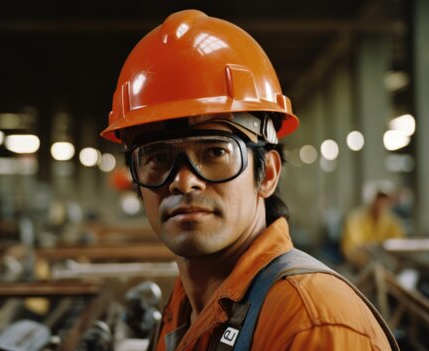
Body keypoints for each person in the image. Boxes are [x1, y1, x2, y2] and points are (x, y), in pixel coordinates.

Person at [100, 9, 398, 350]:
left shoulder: (312, 325)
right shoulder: (185, 305)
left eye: (214, 153)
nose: (183, 181)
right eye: (156, 158)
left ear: (267, 173)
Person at [341, 190, 406, 268]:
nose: (381, 202)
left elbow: (398, 244)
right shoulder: (355, 218)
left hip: (382, 263)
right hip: (357, 264)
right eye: (378, 198)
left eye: (384, 199)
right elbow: (351, 248)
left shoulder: (392, 222)